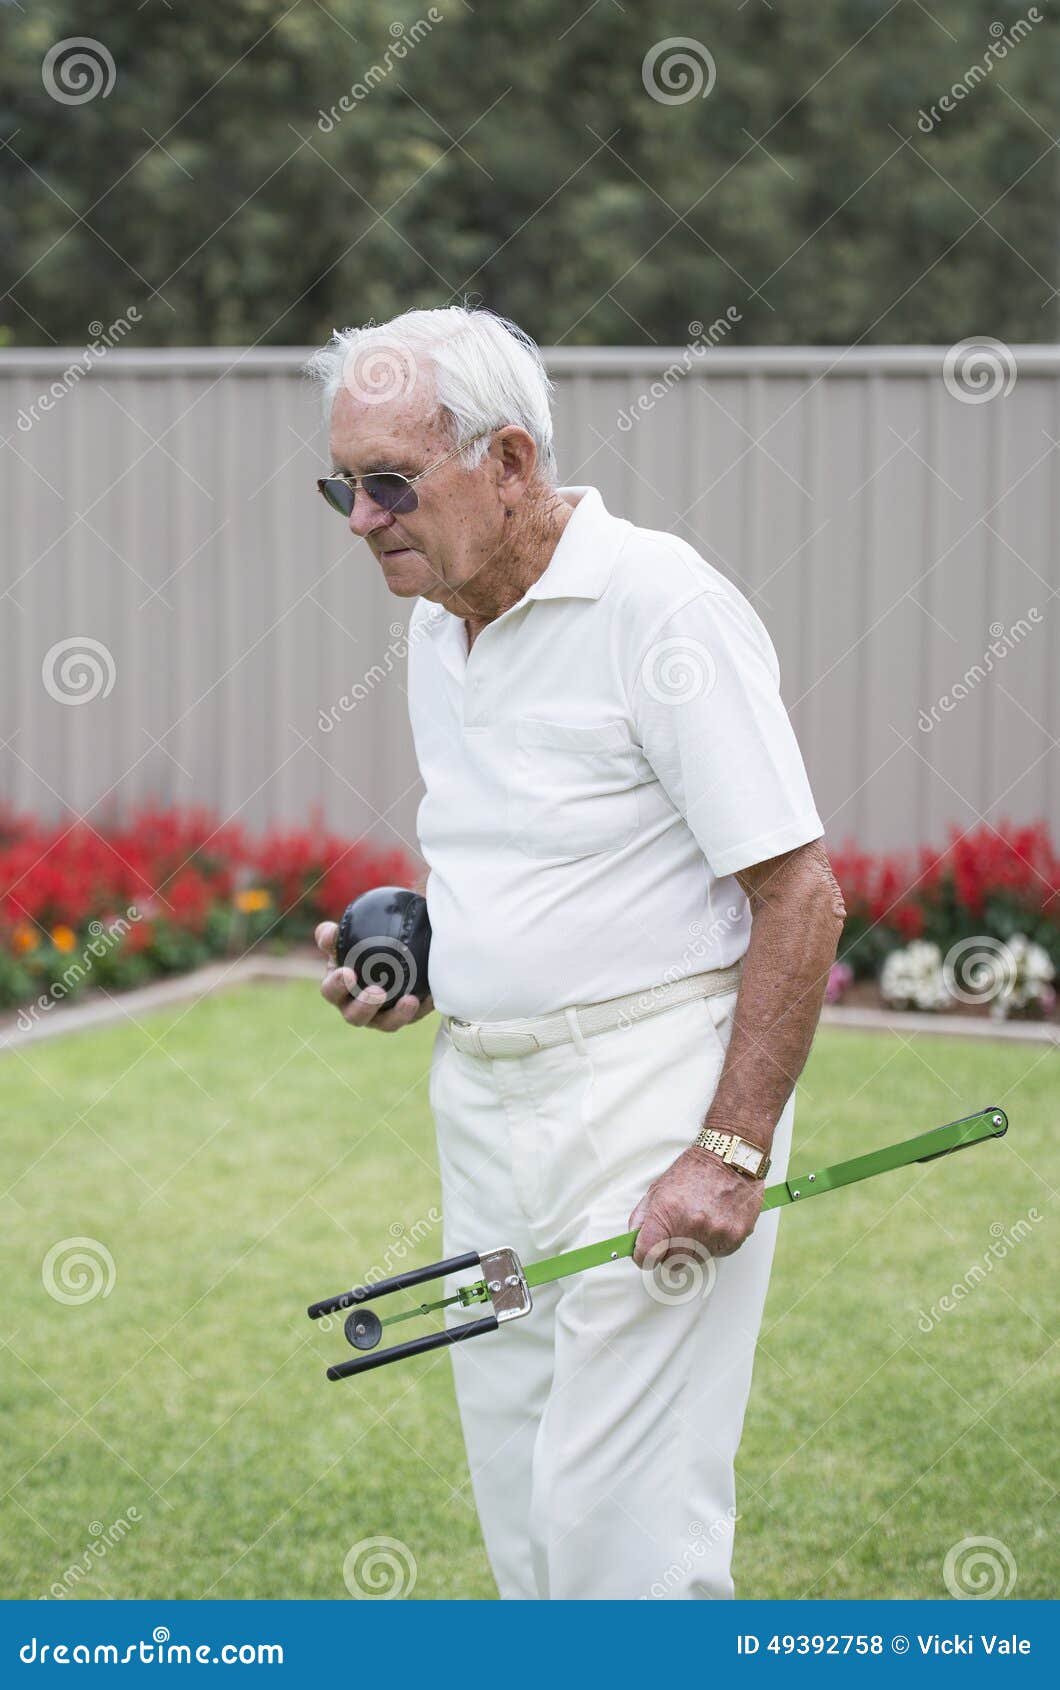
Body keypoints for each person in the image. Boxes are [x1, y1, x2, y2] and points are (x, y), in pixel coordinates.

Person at [308, 306, 845, 1600]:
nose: (363, 517)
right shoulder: (441, 622)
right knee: (528, 1525)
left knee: (624, 1537)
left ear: (509, 461)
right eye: (343, 484)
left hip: (645, 1106)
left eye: (392, 483)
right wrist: (430, 963)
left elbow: (801, 895)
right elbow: (536, 865)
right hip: (482, 1108)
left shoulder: (660, 604)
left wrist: (729, 1149)